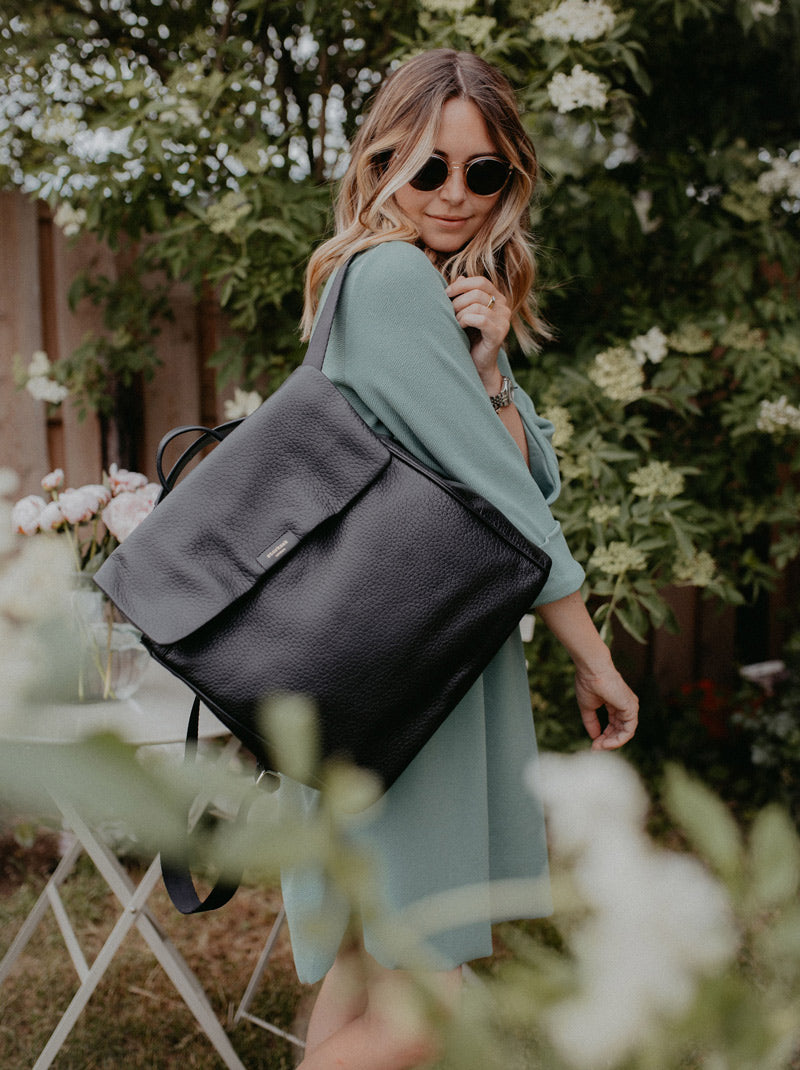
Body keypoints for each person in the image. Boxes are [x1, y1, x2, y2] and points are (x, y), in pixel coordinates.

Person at [279, 48, 639, 1069]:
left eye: (481, 172)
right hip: (411, 677)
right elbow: (506, 503)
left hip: (384, 666)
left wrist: (485, 371)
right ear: (384, 158)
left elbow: (535, 474)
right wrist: (594, 657)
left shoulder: (438, 290)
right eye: (428, 166)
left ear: (508, 179)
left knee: (372, 964)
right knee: (429, 991)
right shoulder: (390, 276)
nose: (452, 193)